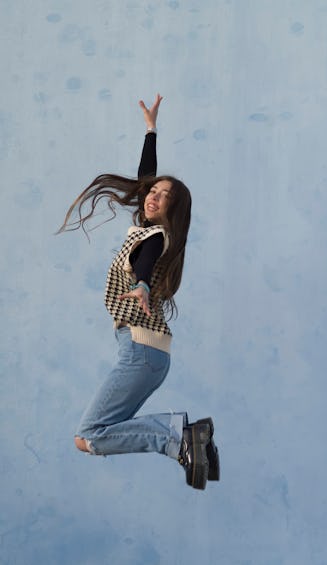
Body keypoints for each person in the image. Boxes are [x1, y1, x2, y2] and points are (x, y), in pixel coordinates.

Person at [58, 94, 219, 490]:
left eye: (164, 196)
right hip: (149, 355)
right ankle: (186, 436)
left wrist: (143, 284)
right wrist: (151, 130)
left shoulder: (155, 239)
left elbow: (145, 263)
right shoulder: (148, 228)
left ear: (172, 211)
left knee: (89, 435)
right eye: (154, 191)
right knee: (95, 434)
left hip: (140, 350)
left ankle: (176, 436)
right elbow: (146, 175)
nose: (153, 195)